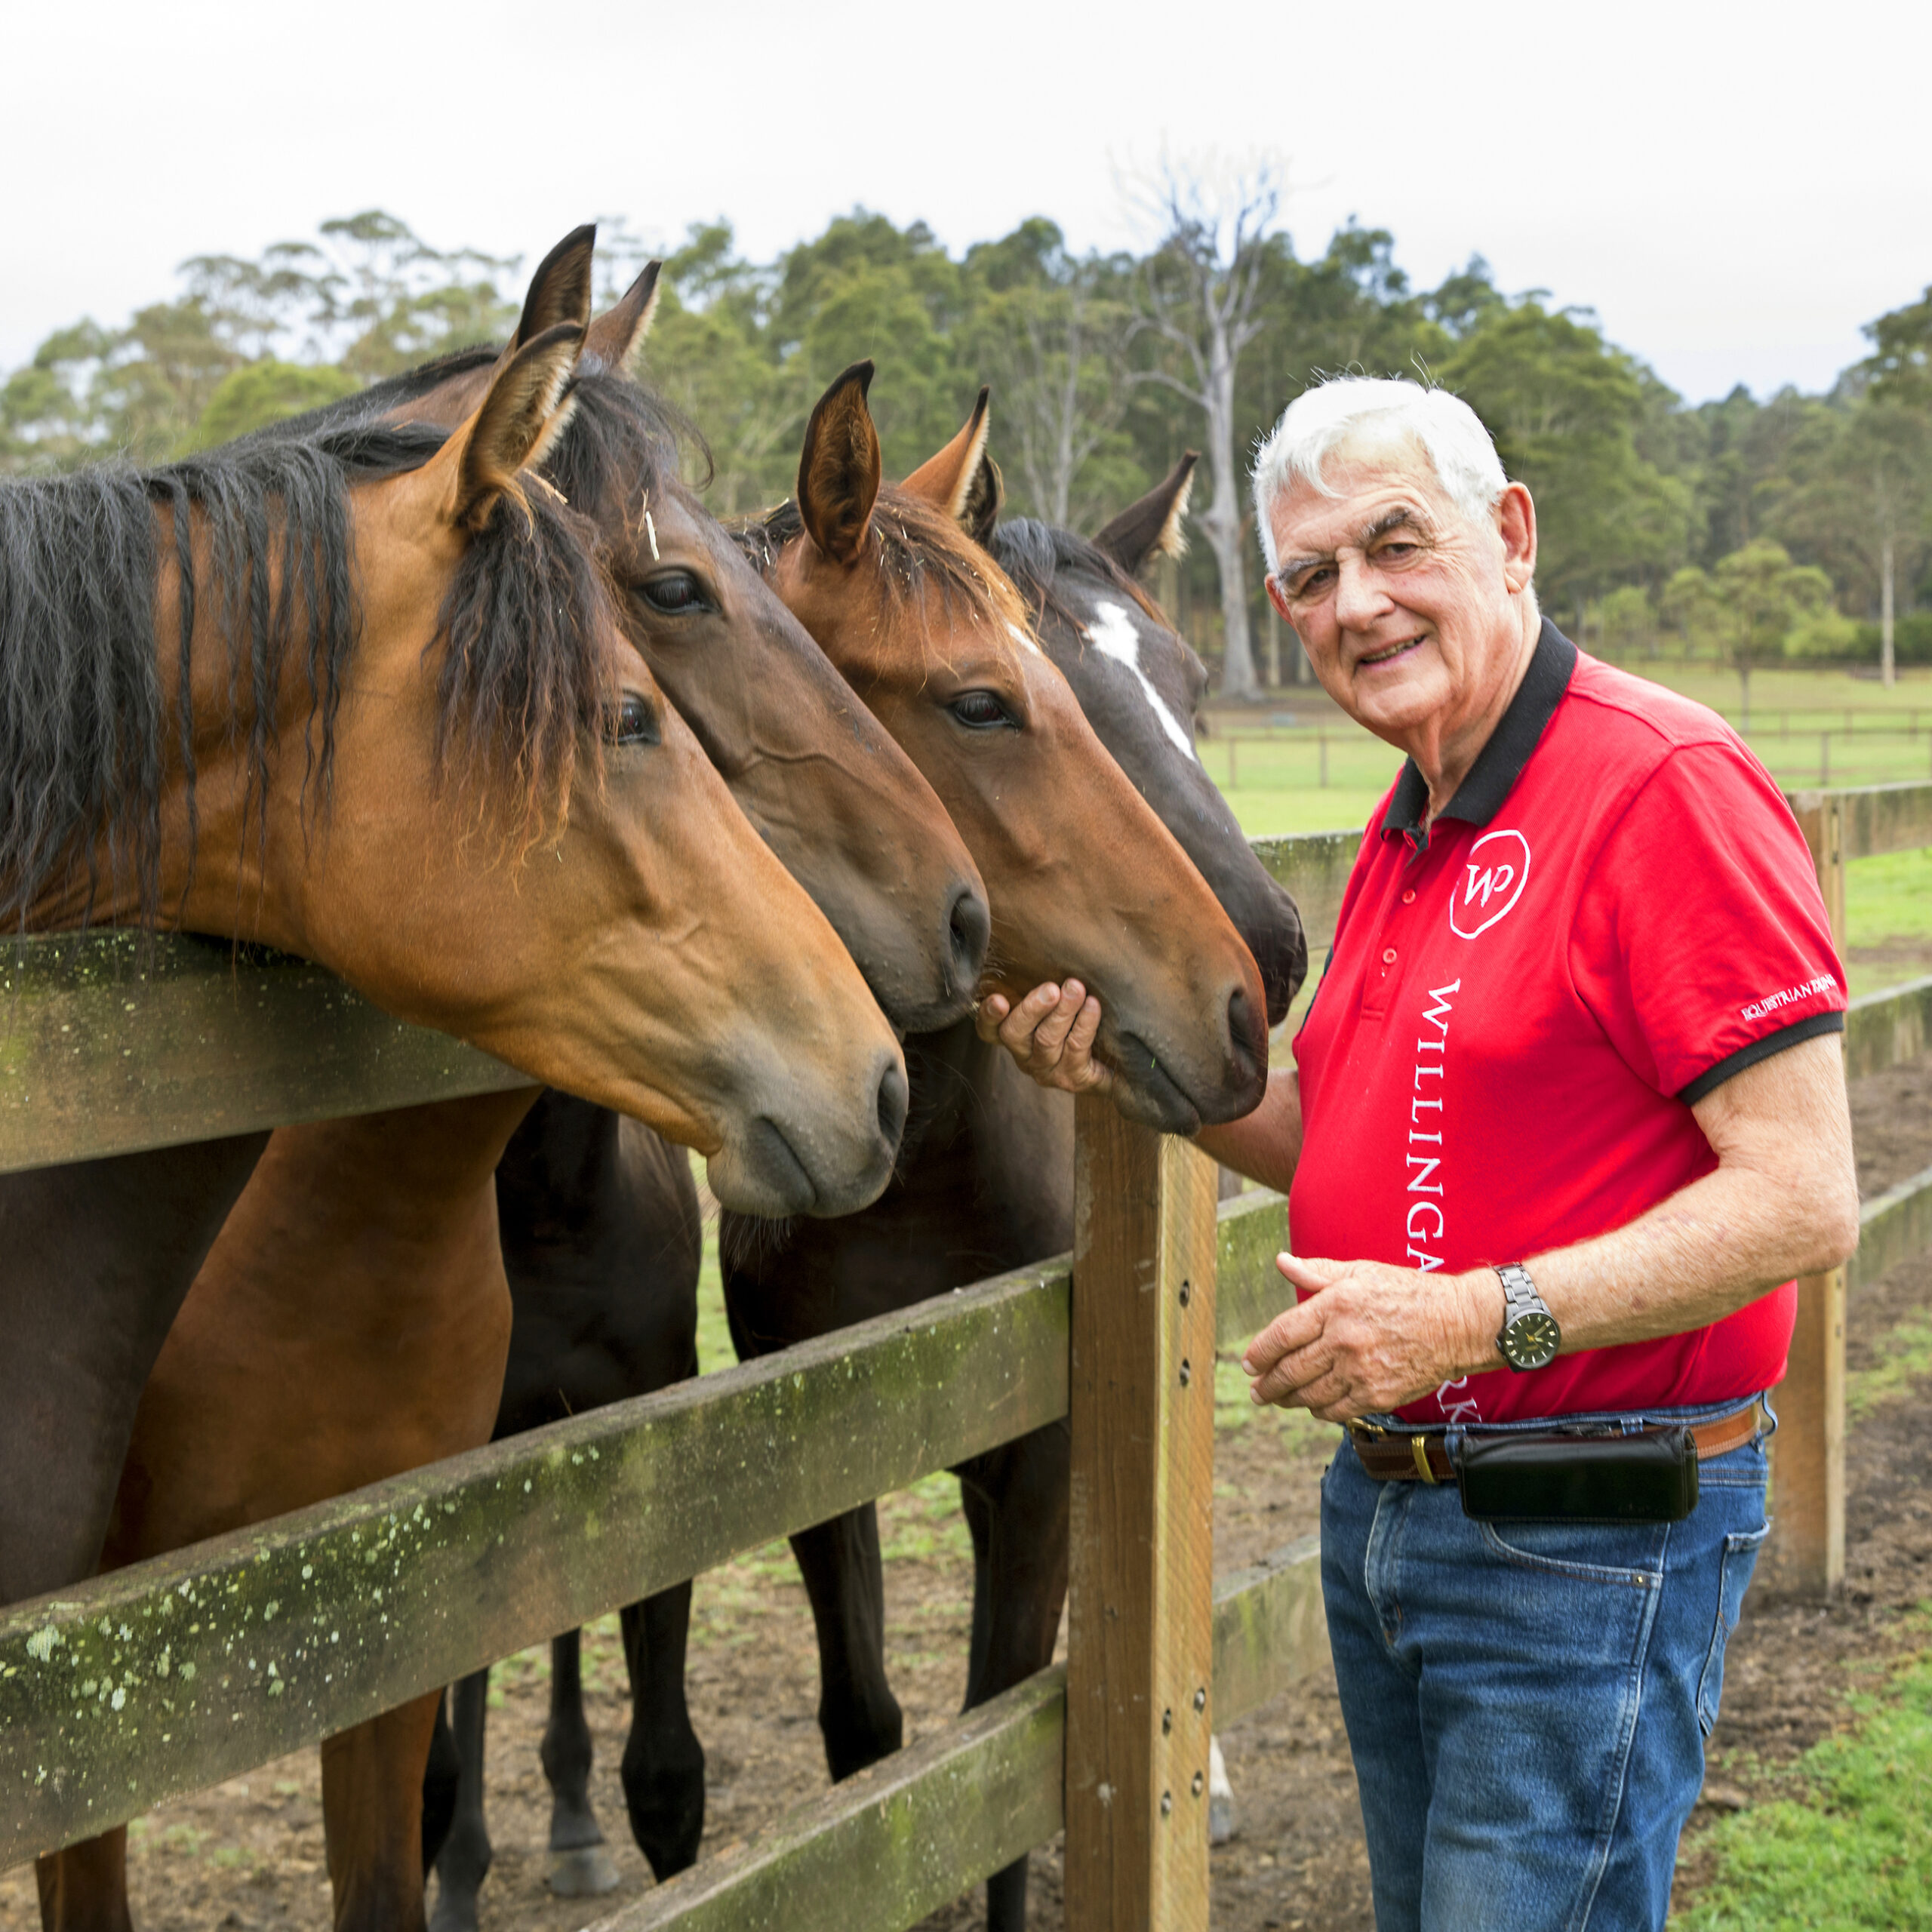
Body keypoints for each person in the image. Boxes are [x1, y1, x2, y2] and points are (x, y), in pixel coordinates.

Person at [977, 375, 1859, 1931]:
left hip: (1585, 1539)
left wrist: (1462, 1318)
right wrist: (1116, 1060)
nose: (1356, 602)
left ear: (1507, 534)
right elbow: (1328, 1132)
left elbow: (1798, 1194)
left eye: (1395, 543)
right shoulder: (1414, 819)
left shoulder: (1657, 784)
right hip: (1392, 1506)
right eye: (1311, 576)